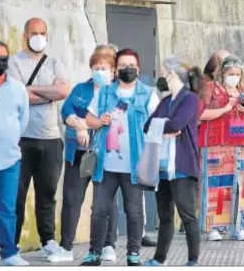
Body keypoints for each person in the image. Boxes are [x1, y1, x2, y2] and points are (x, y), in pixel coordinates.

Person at [81, 48, 160, 266]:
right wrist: (99, 122)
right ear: (116, 69)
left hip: (134, 165)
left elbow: (158, 122)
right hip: (106, 165)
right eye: (123, 65)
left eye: (131, 66)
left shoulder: (147, 93)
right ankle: (94, 253)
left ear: (138, 68)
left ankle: (133, 254)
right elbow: (88, 118)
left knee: (134, 211)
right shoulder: (105, 92)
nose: (128, 69)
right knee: (99, 210)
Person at [48, 49, 119, 263]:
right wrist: (79, 125)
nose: (99, 72)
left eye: (104, 68)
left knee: (106, 201)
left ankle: (108, 245)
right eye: (95, 68)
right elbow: (66, 111)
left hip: (106, 155)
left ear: (113, 70)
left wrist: (88, 124)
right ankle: (66, 247)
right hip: (78, 153)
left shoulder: (118, 93)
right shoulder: (81, 89)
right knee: (71, 198)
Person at [9, 17, 70, 256]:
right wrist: (50, 94)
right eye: (34, 32)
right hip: (21, 138)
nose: (38, 37)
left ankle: (48, 242)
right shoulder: (14, 62)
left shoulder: (55, 63)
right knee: (17, 194)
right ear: (25, 35)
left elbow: (63, 91)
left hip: (51, 138)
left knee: (47, 194)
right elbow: (18, 95)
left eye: (42, 32)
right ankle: (10, 244)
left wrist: (32, 91)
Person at [142, 57, 203, 266]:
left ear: (174, 75)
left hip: (182, 166)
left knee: (186, 214)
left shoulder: (191, 99)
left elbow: (178, 123)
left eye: (165, 73)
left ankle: (193, 260)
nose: (162, 78)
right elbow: (148, 126)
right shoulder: (166, 101)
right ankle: (159, 259)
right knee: (164, 215)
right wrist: (166, 128)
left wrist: (165, 126)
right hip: (162, 165)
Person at [198, 56, 244, 241]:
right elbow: (201, 114)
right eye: (231, 74)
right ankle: (214, 227)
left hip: (242, 146)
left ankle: (239, 226)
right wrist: (225, 109)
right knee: (216, 187)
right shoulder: (211, 89)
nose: (234, 78)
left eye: (238, 74)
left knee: (242, 186)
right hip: (217, 145)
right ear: (222, 73)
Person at [0, 41, 29, 266]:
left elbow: (23, 120)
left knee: (7, 209)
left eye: (3, 58)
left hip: (9, 157)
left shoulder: (18, 89)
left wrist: (7, 138)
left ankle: (9, 252)